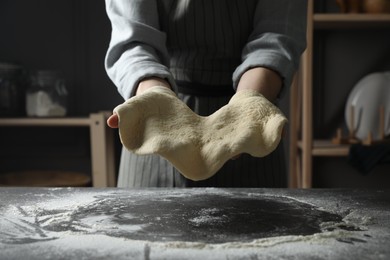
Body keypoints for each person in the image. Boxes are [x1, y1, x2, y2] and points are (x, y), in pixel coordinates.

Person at [104, 0, 307, 188]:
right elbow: (134, 41)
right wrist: (154, 96)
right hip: (156, 127)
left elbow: (277, 34)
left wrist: (250, 103)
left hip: (249, 129)